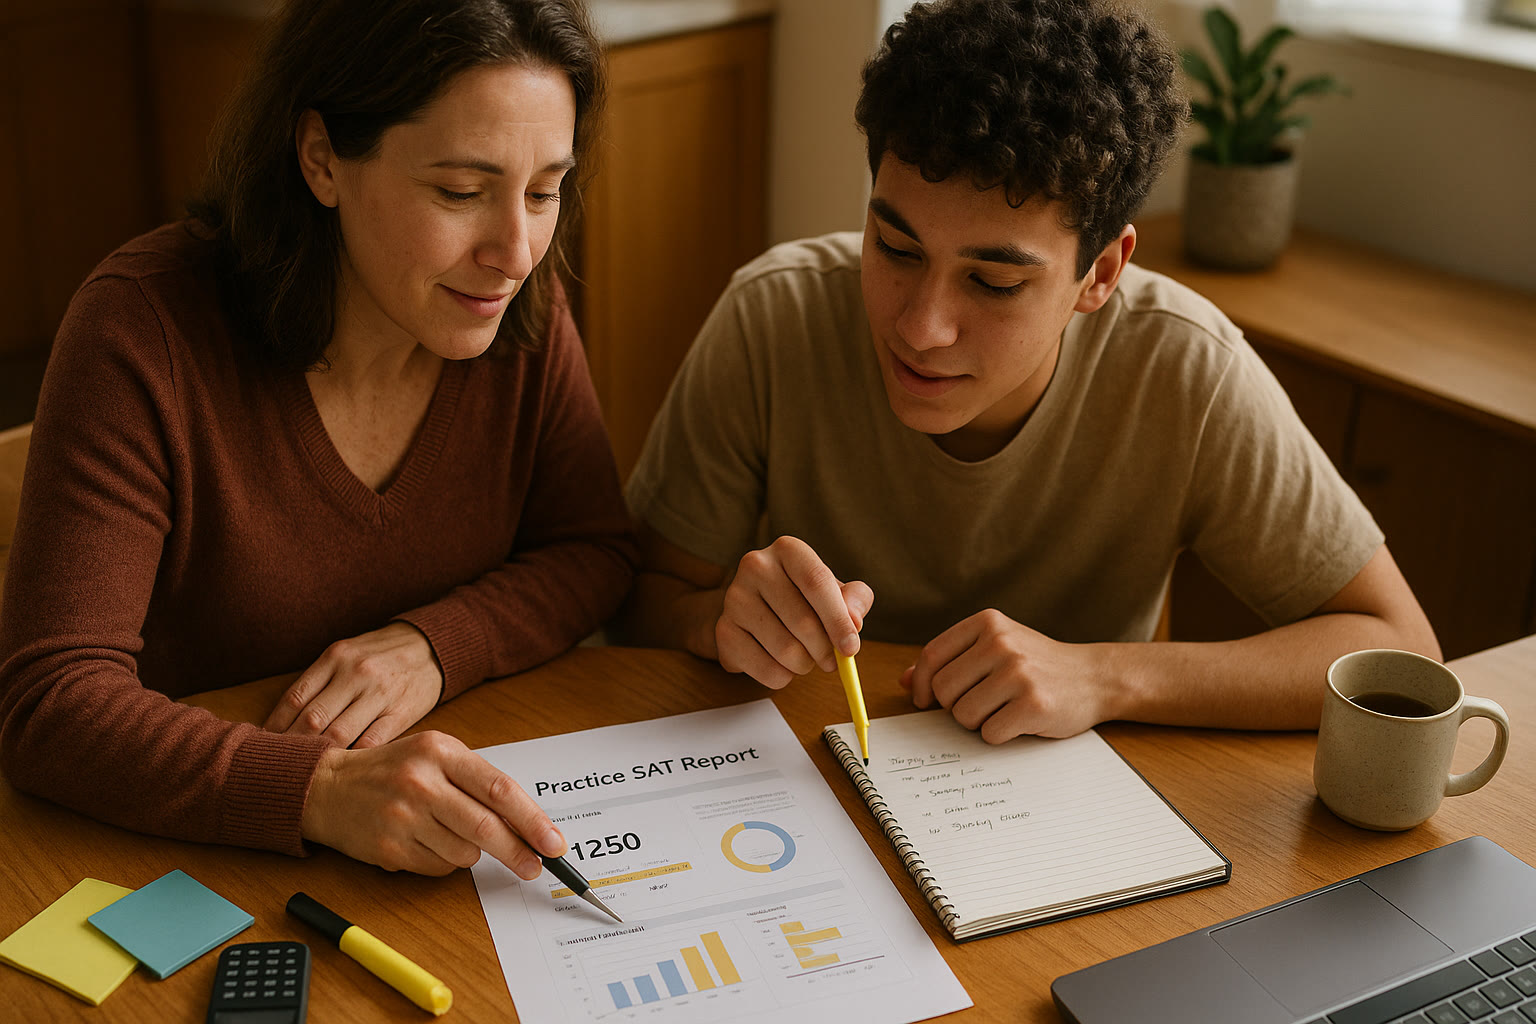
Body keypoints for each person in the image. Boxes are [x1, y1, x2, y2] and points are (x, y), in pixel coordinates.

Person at [620, 0, 1439, 741]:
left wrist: (1106, 675)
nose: (921, 327)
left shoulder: (1187, 365)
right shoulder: (773, 315)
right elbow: (639, 599)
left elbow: (1398, 645)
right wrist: (715, 622)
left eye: (994, 281)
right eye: (896, 249)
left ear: (1102, 274)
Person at [0, 0, 637, 879]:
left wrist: (435, 645)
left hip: (422, 848)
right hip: (181, 859)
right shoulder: (142, 329)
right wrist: (322, 790)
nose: (516, 249)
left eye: (544, 191)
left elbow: (594, 550)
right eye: (460, 192)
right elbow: (51, 702)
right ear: (320, 159)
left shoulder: (515, 307)